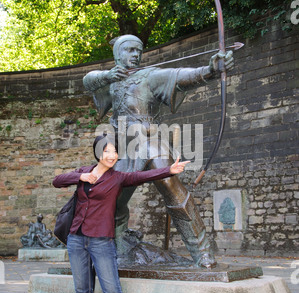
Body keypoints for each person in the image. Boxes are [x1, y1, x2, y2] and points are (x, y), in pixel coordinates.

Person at [83, 35, 234, 268]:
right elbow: (88, 80)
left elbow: (181, 76)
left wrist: (211, 70)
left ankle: (202, 252)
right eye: (130, 50)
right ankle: (117, 244)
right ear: (117, 54)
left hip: (149, 141)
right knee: (111, 199)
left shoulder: (149, 76)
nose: (136, 55)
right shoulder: (110, 80)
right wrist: (107, 75)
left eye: (138, 50)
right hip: (121, 148)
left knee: (171, 186)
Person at [52, 134, 190, 293]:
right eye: (107, 151)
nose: (112, 155)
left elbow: (141, 175)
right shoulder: (83, 172)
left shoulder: (118, 178)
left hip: (101, 242)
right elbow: (57, 180)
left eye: (115, 152)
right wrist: (82, 177)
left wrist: (168, 171)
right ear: (98, 152)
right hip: (76, 239)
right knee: (82, 291)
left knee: (112, 291)